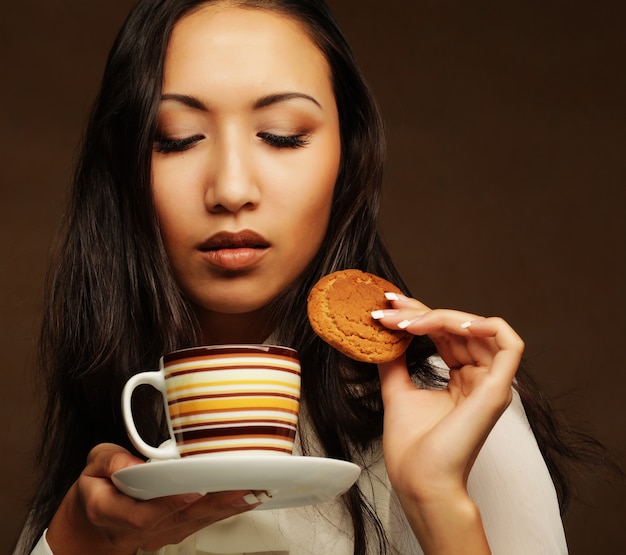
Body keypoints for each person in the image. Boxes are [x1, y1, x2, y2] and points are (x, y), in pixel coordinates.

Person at [15, 0, 585, 553]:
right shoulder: (106, 445)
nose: (232, 190)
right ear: (123, 170)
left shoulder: (458, 410)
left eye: (282, 134)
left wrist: (436, 499)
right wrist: (76, 542)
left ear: (349, 158)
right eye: (176, 138)